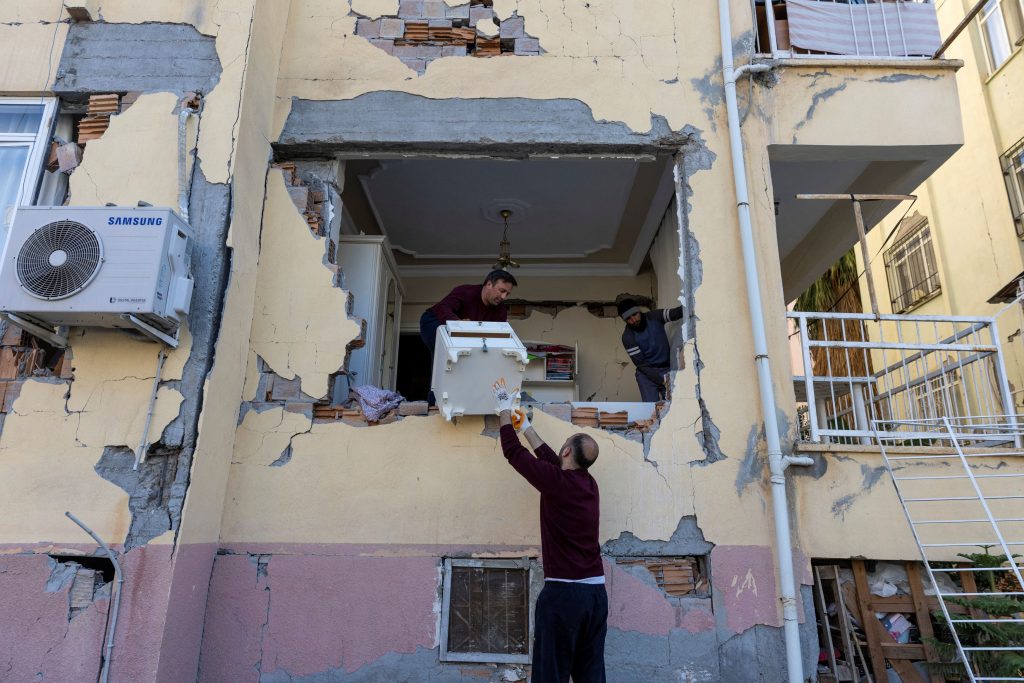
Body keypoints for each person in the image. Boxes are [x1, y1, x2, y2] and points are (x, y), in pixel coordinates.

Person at [492, 379, 606, 683]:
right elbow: (553, 464)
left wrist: (504, 410)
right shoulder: (588, 485)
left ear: (567, 450)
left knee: (550, 674)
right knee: (590, 673)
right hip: (595, 596)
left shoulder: (558, 484)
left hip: (564, 596)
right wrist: (526, 426)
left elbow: (513, 453)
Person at [419, 270, 518, 402]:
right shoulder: (466, 292)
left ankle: (467, 398)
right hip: (433, 321)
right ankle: (435, 400)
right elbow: (443, 308)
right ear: (489, 284)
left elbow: (499, 336)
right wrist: (457, 323)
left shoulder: (500, 311)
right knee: (444, 356)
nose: (504, 297)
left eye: (507, 293)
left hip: (465, 333)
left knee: (475, 359)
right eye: (501, 290)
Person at [617, 298, 683, 402]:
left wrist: (696, 300)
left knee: (673, 406)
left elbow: (675, 313)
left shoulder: (654, 316)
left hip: (667, 369)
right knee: (650, 409)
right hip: (646, 375)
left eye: (634, 315)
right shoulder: (628, 337)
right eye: (629, 319)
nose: (633, 320)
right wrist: (662, 381)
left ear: (639, 311)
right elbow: (642, 365)